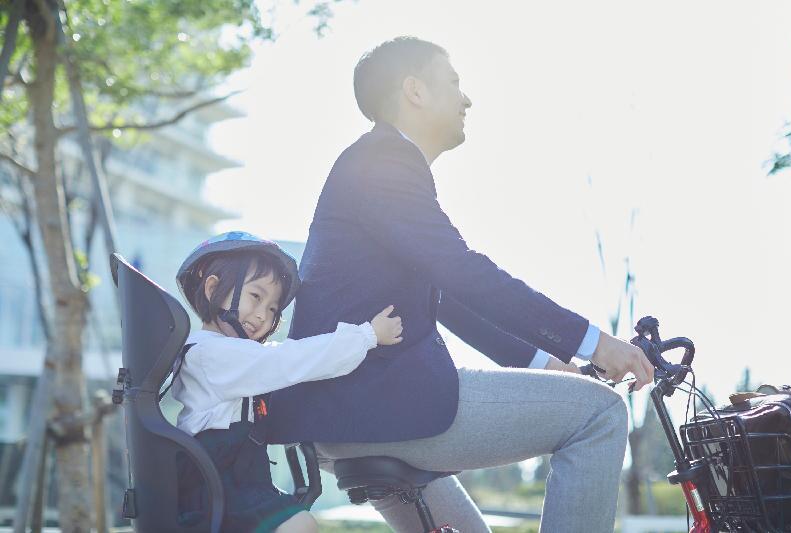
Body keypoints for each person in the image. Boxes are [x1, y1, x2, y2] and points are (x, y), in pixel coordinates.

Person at [263, 37, 655, 532]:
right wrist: (596, 344)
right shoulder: (384, 162)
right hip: (380, 401)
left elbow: (448, 298)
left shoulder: (375, 165)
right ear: (415, 91)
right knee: (598, 415)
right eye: (453, 82)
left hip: (350, 410)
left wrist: (548, 364)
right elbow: (464, 272)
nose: (466, 99)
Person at [170, 231, 403, 532]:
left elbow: (278, 362)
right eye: (255, 296)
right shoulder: (211, 354)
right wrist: (367, 335)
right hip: (219, 489)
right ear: (213, 288)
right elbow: (288, 361)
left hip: (232, 486)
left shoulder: (230, 357)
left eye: (272, 309)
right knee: (300, 524)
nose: (261, 315)